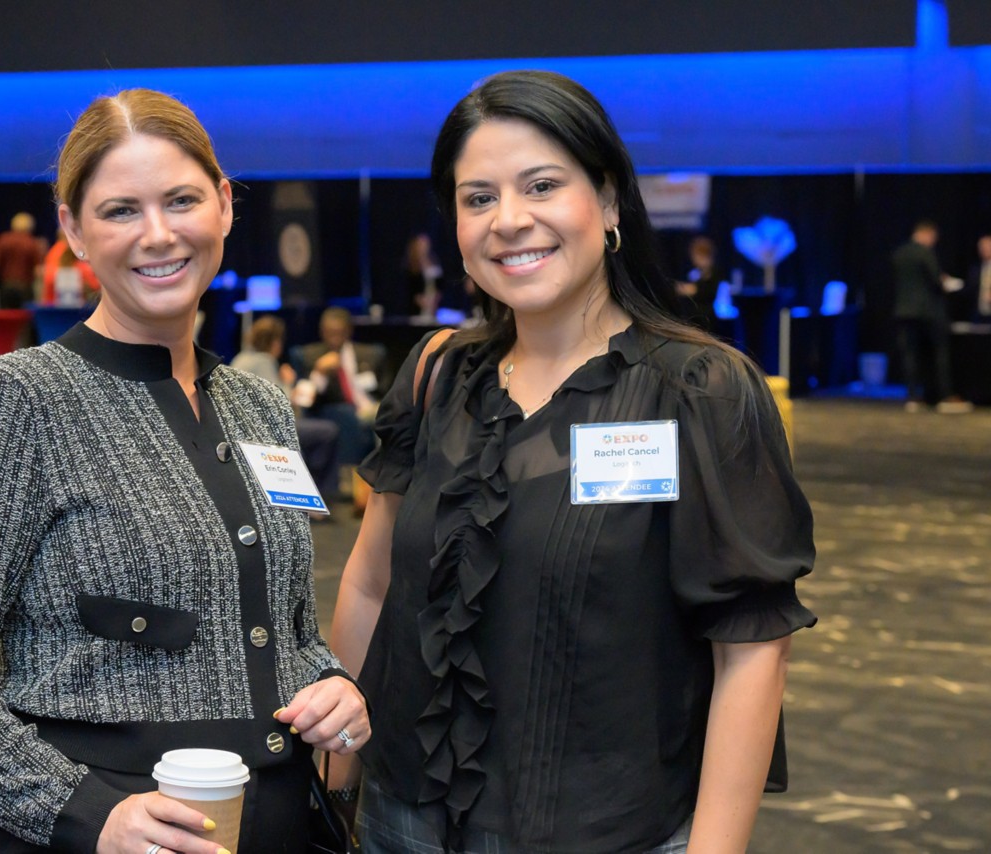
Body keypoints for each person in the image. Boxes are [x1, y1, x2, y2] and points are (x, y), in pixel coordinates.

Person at [328, 70, 817, 854]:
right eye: (477, 197)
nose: (509, 221)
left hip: (600, 830)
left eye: (542, 185)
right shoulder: (437, 374)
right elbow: (371, 583)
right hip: (401, 821)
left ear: (611, 201)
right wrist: (332, 788)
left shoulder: (699, 390)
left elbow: (753, 650)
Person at [0, 88, 369, 854]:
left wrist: (331, 682)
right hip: (95, 830)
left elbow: (281, 627)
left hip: (270, 816)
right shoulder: (18, 401)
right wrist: (85, 813)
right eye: (120, 211)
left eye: (181, 200)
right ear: (74, 231)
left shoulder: (259, 407)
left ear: (224, 205)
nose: (158, 234)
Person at [230, 315, 342, 508]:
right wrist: (289, 382)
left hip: (243, 426)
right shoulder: (264, 361)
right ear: (275, 341)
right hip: (264, 428)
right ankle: (322, 493)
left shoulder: (241, 357)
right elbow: (278, 405)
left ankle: (312, 488)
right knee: (328, 431)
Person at [891, 220, 972, 413]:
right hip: (928, 312)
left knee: (910, 354)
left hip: (904, 311)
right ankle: (945, 396)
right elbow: (936, 281)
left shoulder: (899, 253)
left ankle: (912, 398)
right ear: (928, 234)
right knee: (940, 352)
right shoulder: (925, 253)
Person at [293, 306, 386, 467]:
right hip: (343, 414)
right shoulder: (308, 356)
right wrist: (319, 373)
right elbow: (304, 401)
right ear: (322, 331)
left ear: (349, 331)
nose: (335, 338)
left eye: (340, 333)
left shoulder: (370, 354)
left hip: (373, 408)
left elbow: (386, 388)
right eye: (330, 333)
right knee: (352, 416)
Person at [0, 212, 46, 308]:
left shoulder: (3, 240)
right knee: (24, 319)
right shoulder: (32, 243)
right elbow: (38, 271)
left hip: (6, 287)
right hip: (25, 288)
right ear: (30, 227)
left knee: (7, 318)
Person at [676, 235, 721, 333]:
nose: (694, 258)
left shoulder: (713, 273)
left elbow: (701, 290)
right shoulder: (695, 272)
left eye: (696, 254)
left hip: (706, 317)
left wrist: (688, 289)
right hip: (692, 316)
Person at [43, 227, 101, 304]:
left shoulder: (53, 251)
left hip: (55, 303)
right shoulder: (64, 250)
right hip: (64, 302)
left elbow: (49, 277)